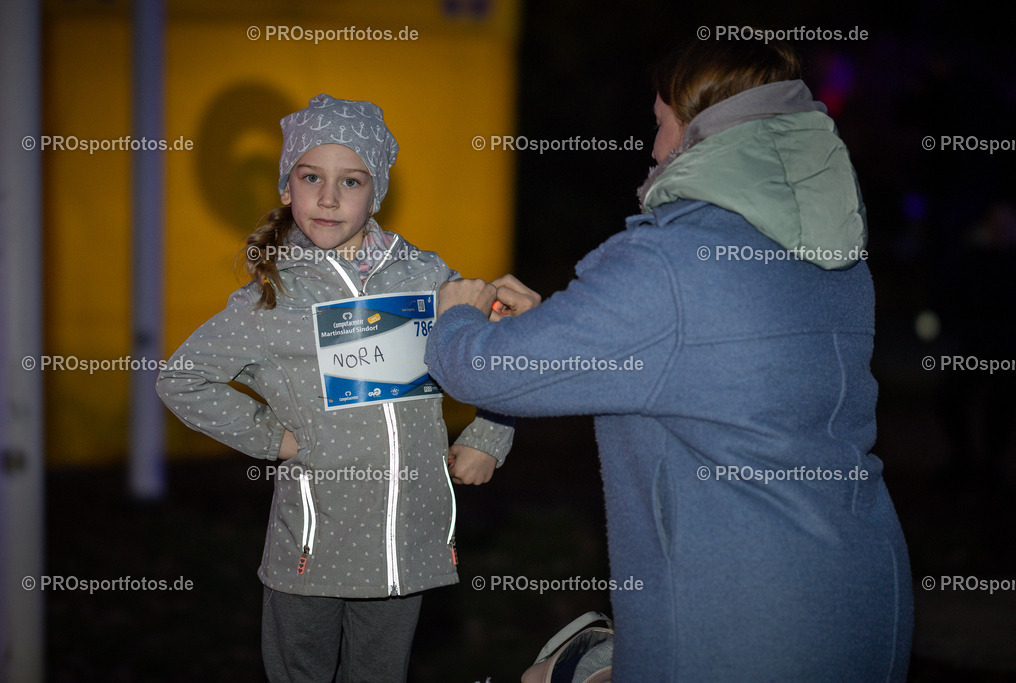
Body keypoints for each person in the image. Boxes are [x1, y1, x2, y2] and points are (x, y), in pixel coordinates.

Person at [427, 40, 913, 681]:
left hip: (743, 624)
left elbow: (479, 371)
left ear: (702, 129)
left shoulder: (668, 260)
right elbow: (687, 362)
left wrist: (457, 315)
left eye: (660, 124)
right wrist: (553, 329)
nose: (655, 149)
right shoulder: (831, 256)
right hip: (860, 601)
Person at [156, 94, 513, 682]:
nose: (328, 197)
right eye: (310, 176)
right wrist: (275, 439)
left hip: (406, 548)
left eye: (351, 180)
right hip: (312, 554)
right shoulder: (268, 301)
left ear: (377, 193)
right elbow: (181, 378)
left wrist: (489, 434)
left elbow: (498, 348)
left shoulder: (425, 277)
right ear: (285, 187)